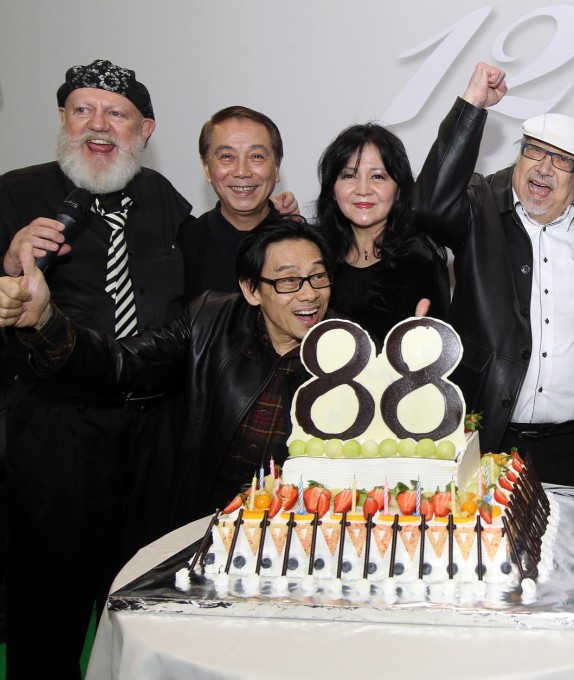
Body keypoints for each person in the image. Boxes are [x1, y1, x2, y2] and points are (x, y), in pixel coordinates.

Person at [0, 58, 191, 677]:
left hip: (150, 432)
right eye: (83, 110)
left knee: (144, 602)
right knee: (48, 605)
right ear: (62, 119)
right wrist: (6, 271)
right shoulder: (13, 194)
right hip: (57, 428)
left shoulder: (165, 201)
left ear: (145, 130)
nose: (98, 125)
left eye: (117, 113)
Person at [0, 216, 332, 526]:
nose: (309, 293)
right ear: (251, 290)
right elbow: (122, 364)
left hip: (295, 528)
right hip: (199, 525)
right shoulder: (209, 320)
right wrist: (46, 322)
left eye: (318, 276)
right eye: (289, 280)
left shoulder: (350, 350)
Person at [413, 62, 574, 489]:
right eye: (534, 150)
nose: (543, 167)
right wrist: (473, 105)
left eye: (562, 160)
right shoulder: (480, 205)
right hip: (491, 436)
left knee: (570, 551)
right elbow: (428, 205)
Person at [316, 123, 449, 348]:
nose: (363, 189)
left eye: (378, 177)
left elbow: (436, 356)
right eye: (349, 175)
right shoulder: (315, 252)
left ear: (399, 190)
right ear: (332, 188)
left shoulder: (418, 259)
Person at [179, 106, 300, 301]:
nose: (242, 171)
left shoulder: (306, 245)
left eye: (256, 157)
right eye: (227, 157)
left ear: (276, 168)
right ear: (207, 168)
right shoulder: (180, 247)